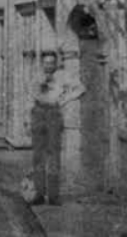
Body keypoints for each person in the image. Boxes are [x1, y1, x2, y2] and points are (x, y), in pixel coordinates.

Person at [29, 51, 86, 206]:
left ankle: (53, 196)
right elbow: (33, 93)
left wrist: (64, 99)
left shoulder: (63, 76)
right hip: (38, 113)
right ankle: (39, 194)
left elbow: (81, 88)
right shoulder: (36, 76)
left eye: (51, 63)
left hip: (53, 113)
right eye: (46, 63)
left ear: (56, 64)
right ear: (42, 64)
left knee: (53, 154)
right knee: (38, 155)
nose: (49, 66)